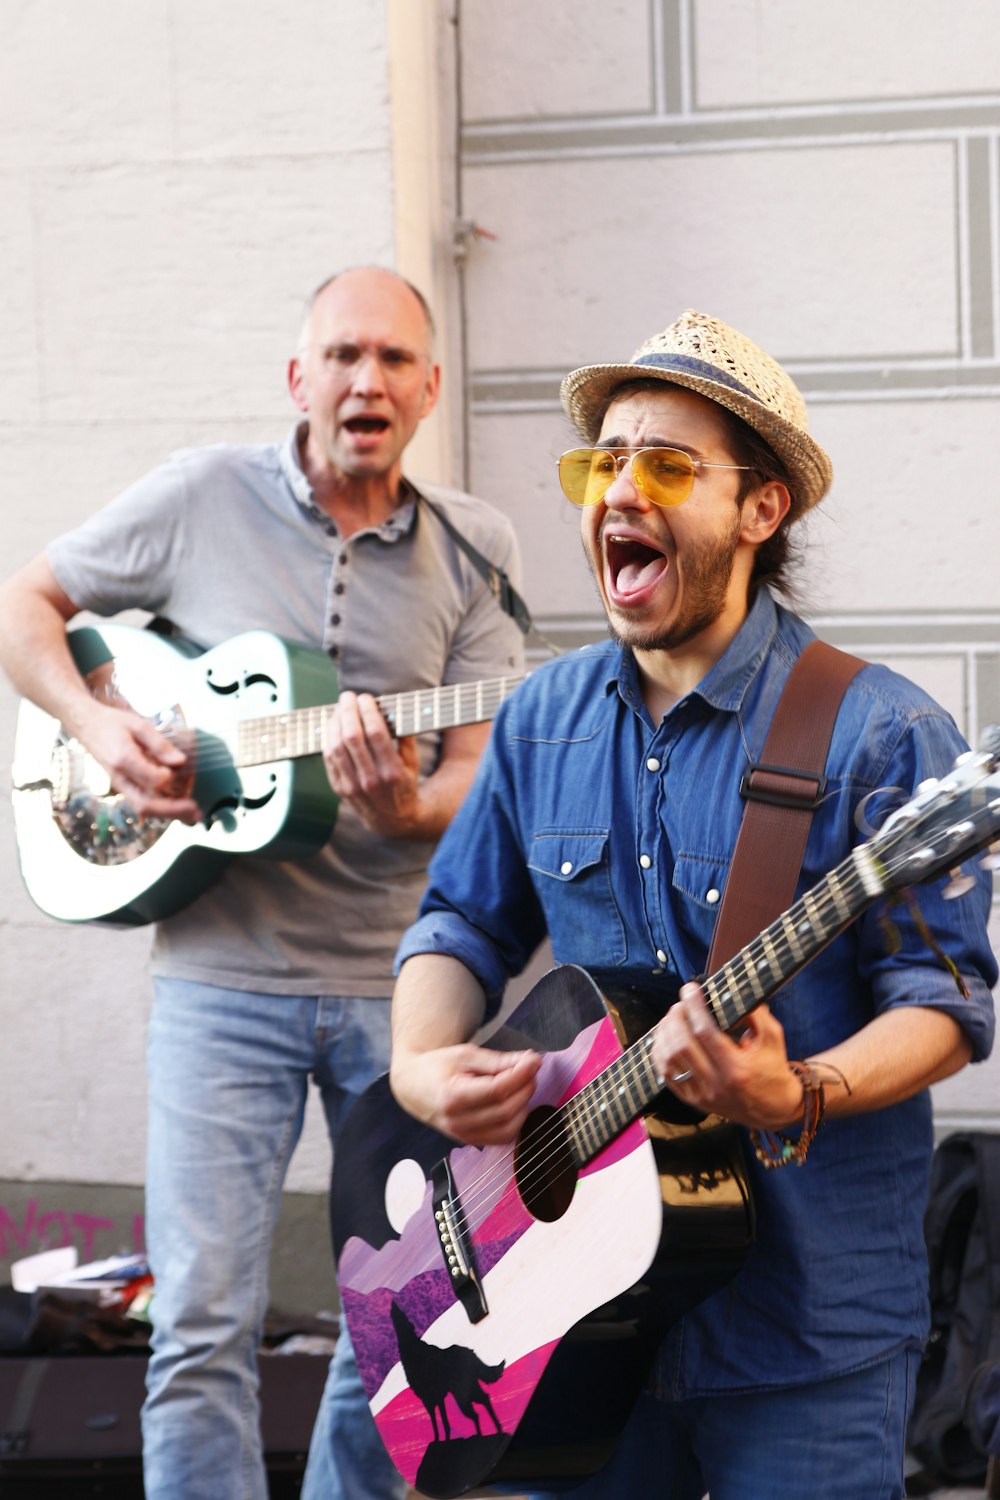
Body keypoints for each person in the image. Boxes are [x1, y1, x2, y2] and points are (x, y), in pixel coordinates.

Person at [387, 308, 997, 1500]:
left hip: (804, 1330)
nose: (620, 487)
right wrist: (418, 1066)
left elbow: (945, 1002)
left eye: (664, 464)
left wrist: (796, 1088)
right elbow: (459, 923)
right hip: (568, 1322)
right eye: (601, 461)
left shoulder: (879, 735)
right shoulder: (539, 717)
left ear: (759, 509)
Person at [0, 266, 525, 1500]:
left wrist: (411, 806)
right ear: (300, 379)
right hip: (218, 980)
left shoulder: (474, 549)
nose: (368, 381)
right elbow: (24, 603)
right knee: (198, 1329)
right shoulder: (198, 497)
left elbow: (481, 762)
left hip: (403, 989)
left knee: (400, 1319)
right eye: (344, 355)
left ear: (429, 390)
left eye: (396, 362)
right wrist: (99, 723)